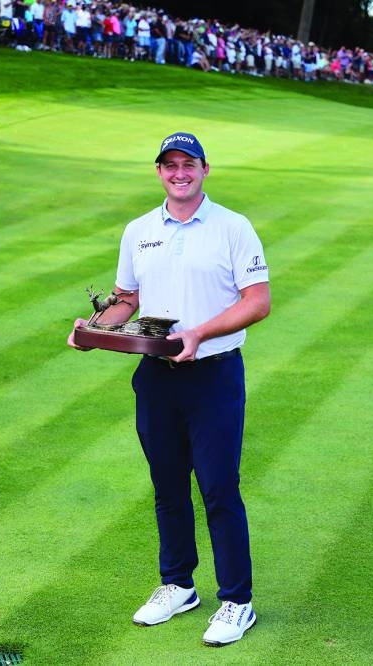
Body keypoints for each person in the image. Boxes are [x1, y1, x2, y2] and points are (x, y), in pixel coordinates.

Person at [67, 132, 270, 647]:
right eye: (170, 165)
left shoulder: (233, 227)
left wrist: (200, 333)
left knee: (219, 487)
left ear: (205, 169)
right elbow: (126, 299)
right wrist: (95, 330)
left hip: (215, 373)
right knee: (168, 485)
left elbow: (257, 301)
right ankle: (178, 584)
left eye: (189, 164)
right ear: (159, 172)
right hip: (156, 376)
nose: (179, 173)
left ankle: (236, 601)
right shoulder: (138, 230)